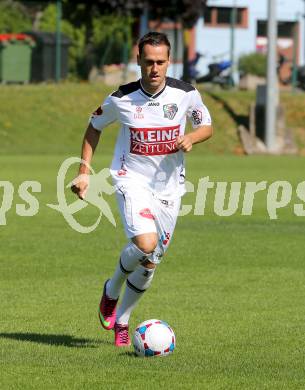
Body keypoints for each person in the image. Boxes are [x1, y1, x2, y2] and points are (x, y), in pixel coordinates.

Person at [71, 32, 213, 347]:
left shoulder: (185, 94)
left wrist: (192, 137)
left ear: (169, 61)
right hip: (130, 178)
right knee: (146, 243)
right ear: (138, 60)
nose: (154, 68)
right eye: (148, 62)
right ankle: (111, 289)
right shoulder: (121, 99)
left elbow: (206, 125)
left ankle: (122, 320)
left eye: (160, 62)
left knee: (151, 263)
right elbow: (93, 128)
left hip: (169, 188)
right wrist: (84, 173)